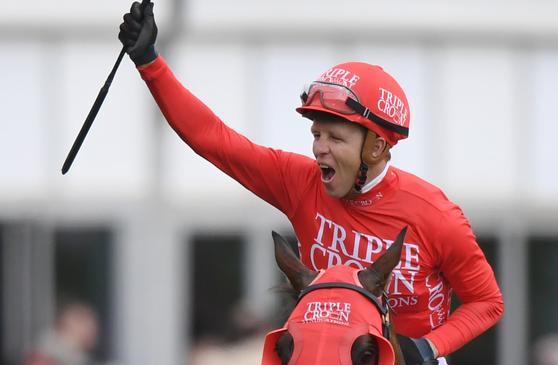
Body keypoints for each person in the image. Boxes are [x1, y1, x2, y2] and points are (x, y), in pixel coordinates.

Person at [118, 2, 504, 364]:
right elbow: (212, 138)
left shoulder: (436, 216)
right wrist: (149, 62)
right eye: (317, 135)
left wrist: (426, 347)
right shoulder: (298, 181)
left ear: (377, 147)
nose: (320, 149)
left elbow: (487, 302)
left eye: (335, 139)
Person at [23, 300, 99, 365]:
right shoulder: (40, 359)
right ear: (66, 324)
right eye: (84, 321)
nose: (93, 329)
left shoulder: (78, 358)